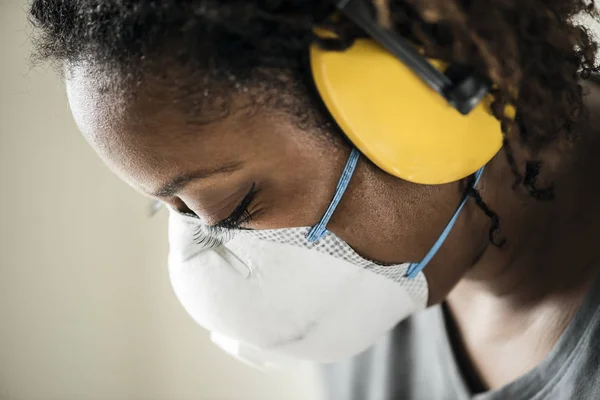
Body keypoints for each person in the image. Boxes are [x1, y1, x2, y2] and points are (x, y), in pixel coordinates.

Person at [29, 0, 600, 399]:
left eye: (233, 209)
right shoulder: (378, 309)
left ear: (424, 95)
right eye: (172, 209)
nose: (201, 266)